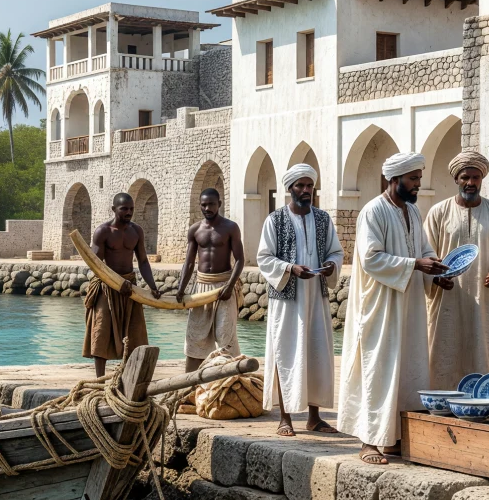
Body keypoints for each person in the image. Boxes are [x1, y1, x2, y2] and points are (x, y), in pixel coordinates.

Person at [339, 152, 449, 464]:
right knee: (380, 368)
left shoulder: (413, 212)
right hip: (382, 306)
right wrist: (416, 264)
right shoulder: (373, 212)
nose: (418, 184)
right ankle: (369, 442)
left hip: (410, 301)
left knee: (409, 369)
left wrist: (436, 273)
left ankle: (396, 438)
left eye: (419, 178)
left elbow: (424, 248)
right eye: (413, 179)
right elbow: (371, 258)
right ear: (394, 179)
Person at [256, 164, 345, 436]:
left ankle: (314, 418)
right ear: (289, 189)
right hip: (287, 300)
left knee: (316, 353)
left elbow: (336, 251)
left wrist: (331, 265)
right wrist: (290, 269)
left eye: (309, 186)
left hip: (316, 296)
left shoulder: (322, 219)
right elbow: (264, 257)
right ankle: (285, 418)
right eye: (300, 186)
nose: (306, 191)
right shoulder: (275, 220)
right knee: (287, 353)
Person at [424, 150, 489, 387]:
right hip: (447, 300)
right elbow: (425, 254)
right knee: (444, 356)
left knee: (483, 356)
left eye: (476, 178)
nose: (470, 183)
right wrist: (435, 279)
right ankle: (442, 409)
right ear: (456, 179)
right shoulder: (438, 212)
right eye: (465, 177)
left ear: (481, 179)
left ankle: (483, 406)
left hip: (483, 301)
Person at [83, 192, 161, 377]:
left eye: (131, 209)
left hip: (129, 288)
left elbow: (142, 261)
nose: (128, 212)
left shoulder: (136, 231)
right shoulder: (103, 231)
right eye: (124, 209)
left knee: (135, 334)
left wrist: (152, 286)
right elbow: (95, 264)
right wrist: (116, 282)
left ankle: (131, 378)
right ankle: (99, 381)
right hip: (106, 286)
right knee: (101, 332)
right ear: (114, 209)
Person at [175, 188, 245, 371]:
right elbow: (189, 263)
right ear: (200, 205)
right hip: (201, 288)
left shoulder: (230, 227)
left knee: (225, 337)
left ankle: (229, 383)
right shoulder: (195, 230)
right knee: (195, 337)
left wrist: (230, 286)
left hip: (224, 287)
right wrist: (181, 288)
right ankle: (188, 384)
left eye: (211, 204)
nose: (208, 208)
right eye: (204, 204)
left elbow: (240, 260)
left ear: (219, 204)